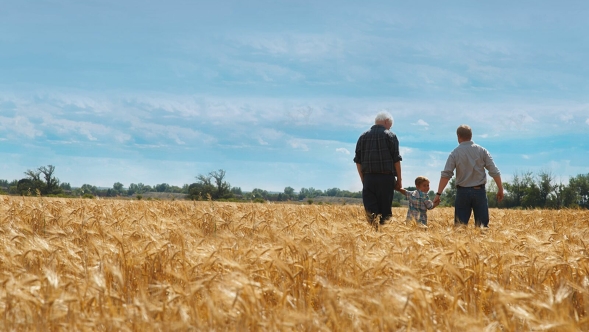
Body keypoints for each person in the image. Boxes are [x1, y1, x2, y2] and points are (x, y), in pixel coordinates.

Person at [433, 125, 504, 227]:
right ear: (471, 136)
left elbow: (446, 175)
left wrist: (438, 194)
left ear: (458, 136)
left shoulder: (455, 153)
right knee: (482, 228)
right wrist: (500, 189)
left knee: (460, 228)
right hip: (479, 192)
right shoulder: (482, 151)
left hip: (462, 192)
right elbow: (494, 171)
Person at [354, 111, 402, 226]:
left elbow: (358, 161)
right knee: (385, 213)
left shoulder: (362, 136)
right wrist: (399, 180)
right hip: (386, 178)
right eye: (389, 126)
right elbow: (396, 160)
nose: (389, 128)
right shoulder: (390, 135)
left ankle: (373, 235)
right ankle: (383, 238)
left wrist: (363, 179)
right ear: (386, 121)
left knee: (371, 213)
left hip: (369, 178)